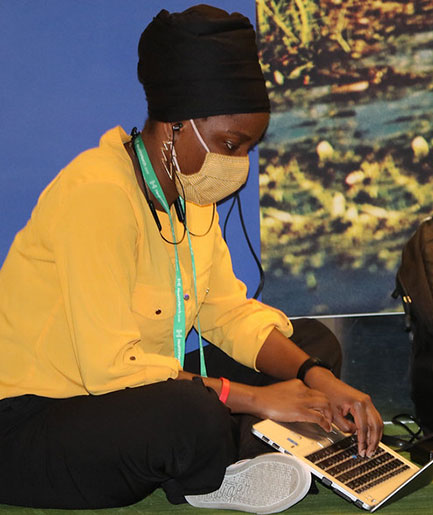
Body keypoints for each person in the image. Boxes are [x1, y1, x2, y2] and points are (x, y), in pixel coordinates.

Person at [0, 5, 383, 513]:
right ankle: (224, 462)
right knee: (189, 414)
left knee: (310, 343)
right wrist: (257, 398)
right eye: (229, 143)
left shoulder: (188, 196)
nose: (237, 166)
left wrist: (319, 378)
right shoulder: (98, 192)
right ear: (178, 123)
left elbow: (227, 314)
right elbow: (110, 370)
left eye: (247, 148)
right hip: (35, 423)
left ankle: (246, 450)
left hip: (126, 395)